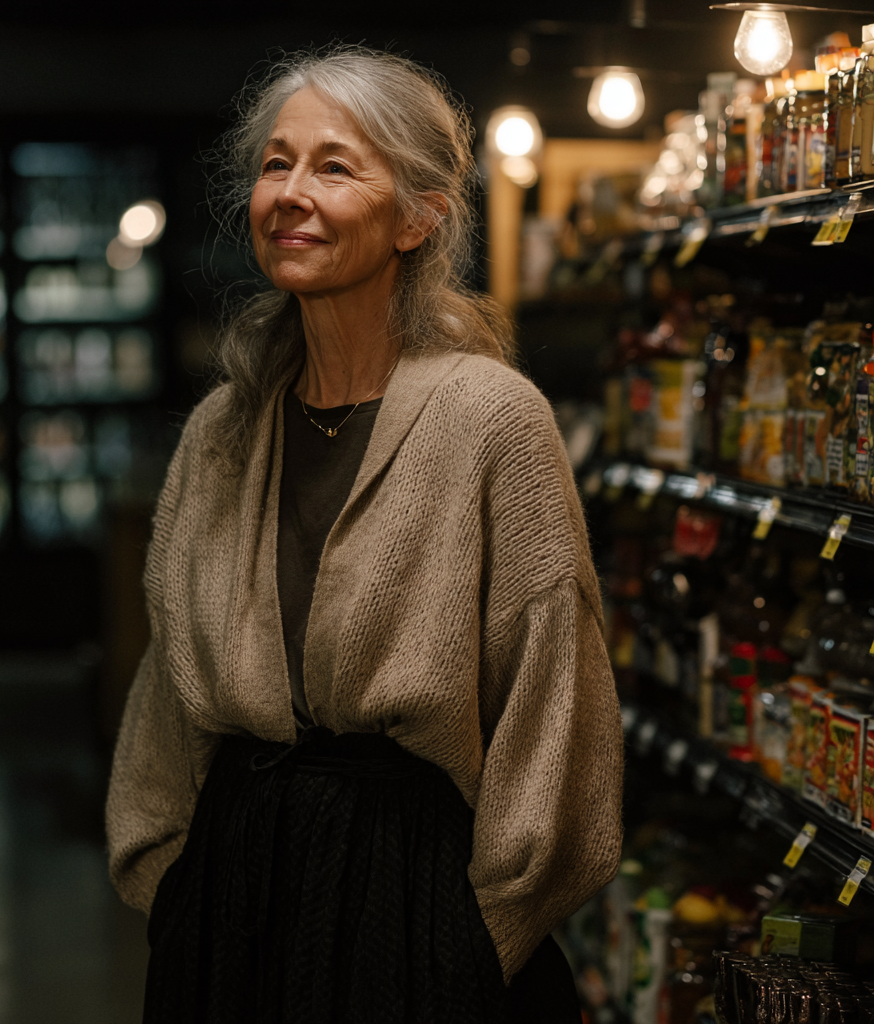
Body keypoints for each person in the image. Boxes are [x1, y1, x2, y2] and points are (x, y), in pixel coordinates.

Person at [106, 46, 623, 1024]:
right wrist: (172, 886)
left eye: (334, 167)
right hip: (232, 902)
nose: (290, 193)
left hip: (411, 897)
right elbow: (167, 693)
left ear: (420, 214)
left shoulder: (491, 421)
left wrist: (475, 938)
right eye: (274, 164)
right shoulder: (223, 429)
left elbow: (556, 709)